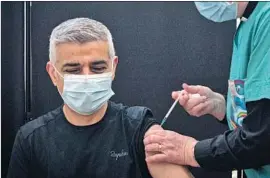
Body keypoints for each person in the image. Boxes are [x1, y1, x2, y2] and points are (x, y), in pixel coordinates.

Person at [7, 18, 194, 178]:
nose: (87, 77)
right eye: (73, 70)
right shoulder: (31, 139)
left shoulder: (139, 128)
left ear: (113, 67)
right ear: (53, 74)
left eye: (97, 68)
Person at [144, 1, 270, 178]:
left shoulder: (267, 20)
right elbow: (259, 113)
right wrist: (222, 107)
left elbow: (261, 139)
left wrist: (189, 150)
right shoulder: (248, 23)